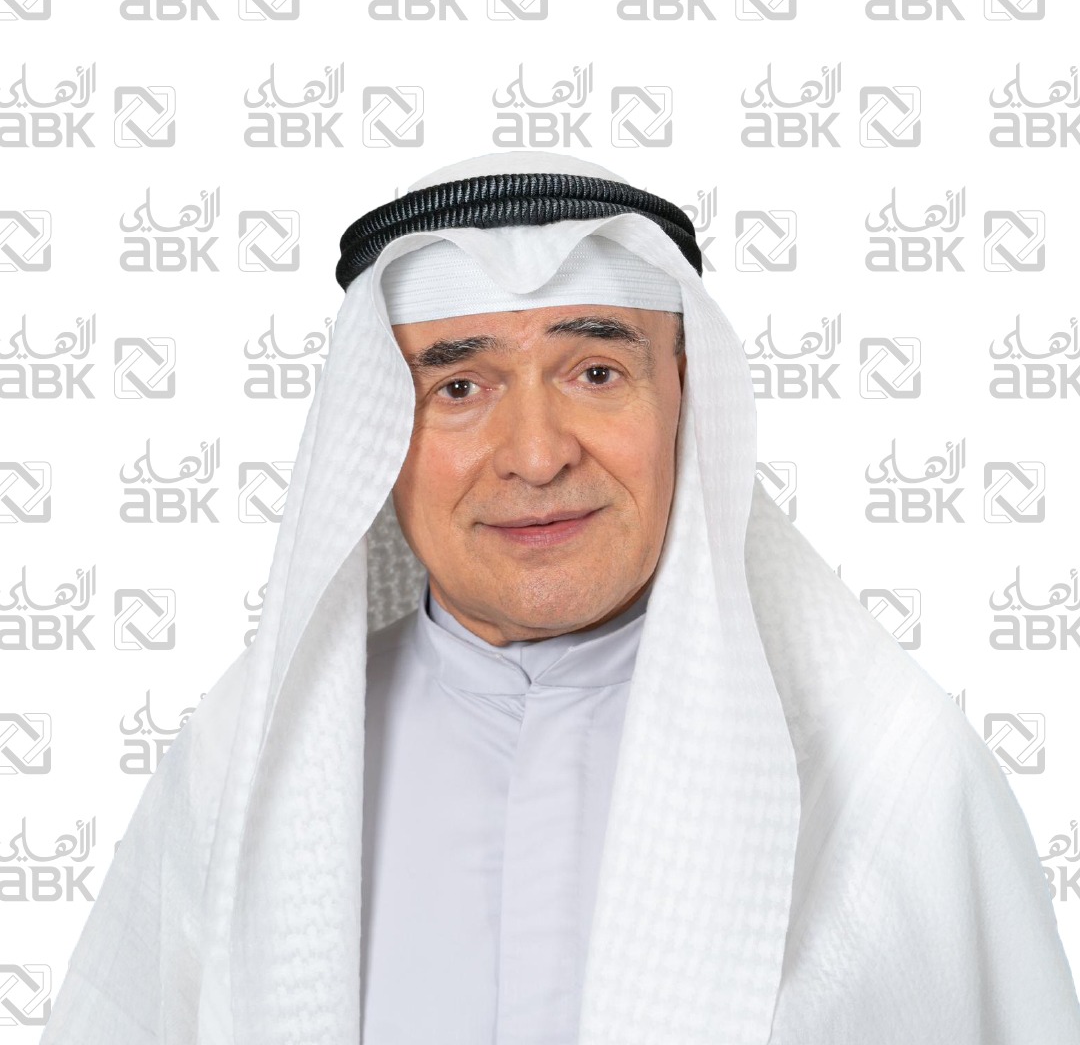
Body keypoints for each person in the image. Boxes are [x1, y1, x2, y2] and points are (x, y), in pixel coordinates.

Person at [39, 151, 1080, 1045]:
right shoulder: (242, 761)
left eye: (595, 373)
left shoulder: (889, 774)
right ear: (375, 433)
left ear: (685, 397)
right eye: (459, 387)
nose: (536, 456)